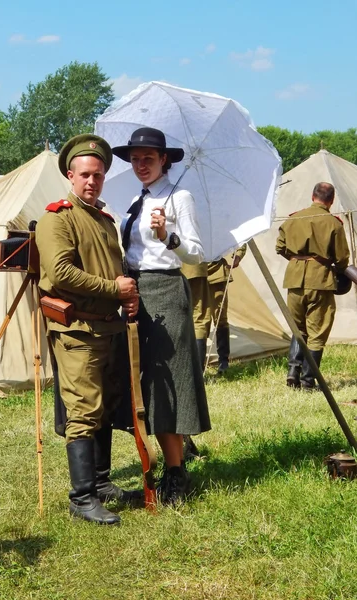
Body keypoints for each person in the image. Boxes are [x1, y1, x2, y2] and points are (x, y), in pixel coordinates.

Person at [35, 134, 141, 525]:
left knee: (105, 407)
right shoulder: (57, 218)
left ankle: (100, 483)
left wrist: (127, 293)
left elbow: (116, 270)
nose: (92, 181)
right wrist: (114, 288)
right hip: (78, 331)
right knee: (83, 410)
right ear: (70, 175)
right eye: (85, 175)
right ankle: (82, 499)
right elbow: (60, 273)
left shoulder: (105, 221)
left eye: (98, 175)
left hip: (109, 327)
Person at [112, 127, 211, 504]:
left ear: (164, 159)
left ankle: (176, 475)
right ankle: (169, 464)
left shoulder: (179, 197)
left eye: (148, 158)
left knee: (167, 384)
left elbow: (197, 253)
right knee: (145, 384)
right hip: (136, 291)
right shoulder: (137, 201)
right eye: (135, 159)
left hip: (167, 291)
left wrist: (168, 235)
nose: (140, 164)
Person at [276, 182, 350, 390]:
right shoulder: (333, 223)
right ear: (332, 200)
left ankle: (293, 372)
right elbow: (342, 258)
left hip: (294, 278)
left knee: (298, 328)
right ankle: (308, 381)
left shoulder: (292, 219)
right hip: (320, 281)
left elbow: (279, 247)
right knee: (317, 332)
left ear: (312, 195)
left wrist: (297, 259)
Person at [181, 245, 246, 373]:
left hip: (215, 269)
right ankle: (198, 367)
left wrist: (239, 253)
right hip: (195, 268)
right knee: (199, 320)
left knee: (220, 316)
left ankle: (223, 362)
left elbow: (236, 229)